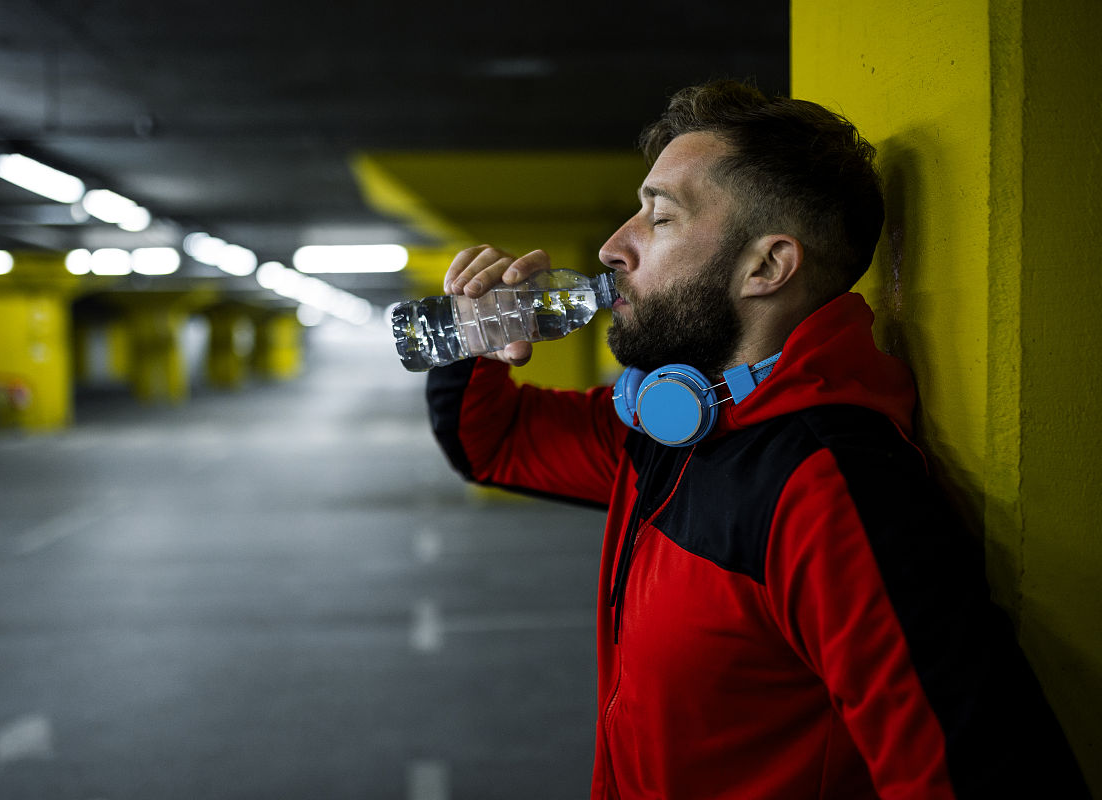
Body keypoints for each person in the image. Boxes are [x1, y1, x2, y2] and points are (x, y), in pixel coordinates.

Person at [424, 81, 1088, 799]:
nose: (614, 247)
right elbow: (495, 445)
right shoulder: (671, 423)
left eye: (661, 218)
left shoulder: (834, 494)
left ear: (767, 267)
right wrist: (471, 340)